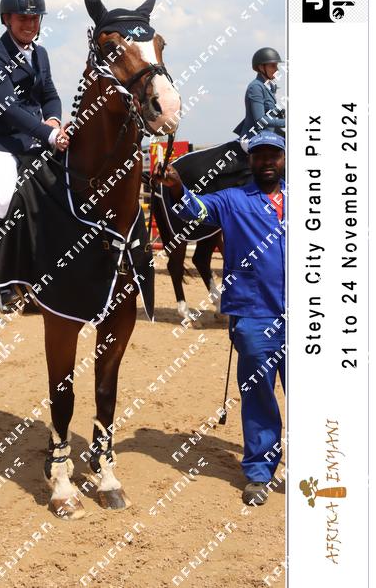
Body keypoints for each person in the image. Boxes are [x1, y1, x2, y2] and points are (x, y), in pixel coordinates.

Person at [154, 131, 286, 506]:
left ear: (283, 160)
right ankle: (259, 473)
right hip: (254, 316)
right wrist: (176, 187)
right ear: (249, 161)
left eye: (273, 155)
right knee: (258, 397)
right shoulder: (231, 200)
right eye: (259, 155)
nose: (266, 161)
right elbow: (194, 211)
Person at [0, 0, 70, 308]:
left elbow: (50, 95)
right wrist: (49, 135)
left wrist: (53, 120)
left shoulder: (41, 54)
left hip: (35, 140)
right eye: (23, 18)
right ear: (7, 19)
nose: (30, 24)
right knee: (3, 199)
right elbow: (9, 110)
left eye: (35, 18)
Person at [233, 47, 285, 149]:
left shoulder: (268, 86)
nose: (277, 69)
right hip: (254, 137)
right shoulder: (256, 87)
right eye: (273, 66)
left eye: (276, 66)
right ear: (261, 67)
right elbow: (261, 120)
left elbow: (269, 110)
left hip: (268, 134)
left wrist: (280, 111)